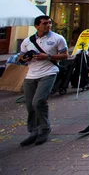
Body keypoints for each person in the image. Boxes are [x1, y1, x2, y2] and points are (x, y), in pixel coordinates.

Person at [18, 15, 68, 146]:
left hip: (49, 72)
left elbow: (65, 55)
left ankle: (44, 129)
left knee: (39, 101)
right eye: (45, 23)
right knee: (30, 105)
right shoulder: (27, 41)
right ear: (36, 26)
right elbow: (21, 57)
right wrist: (25, 58)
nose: (48, 25)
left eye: (49, 23)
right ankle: (33, 131)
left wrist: (48, 56)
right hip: (30, 75)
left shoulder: (58, 38)